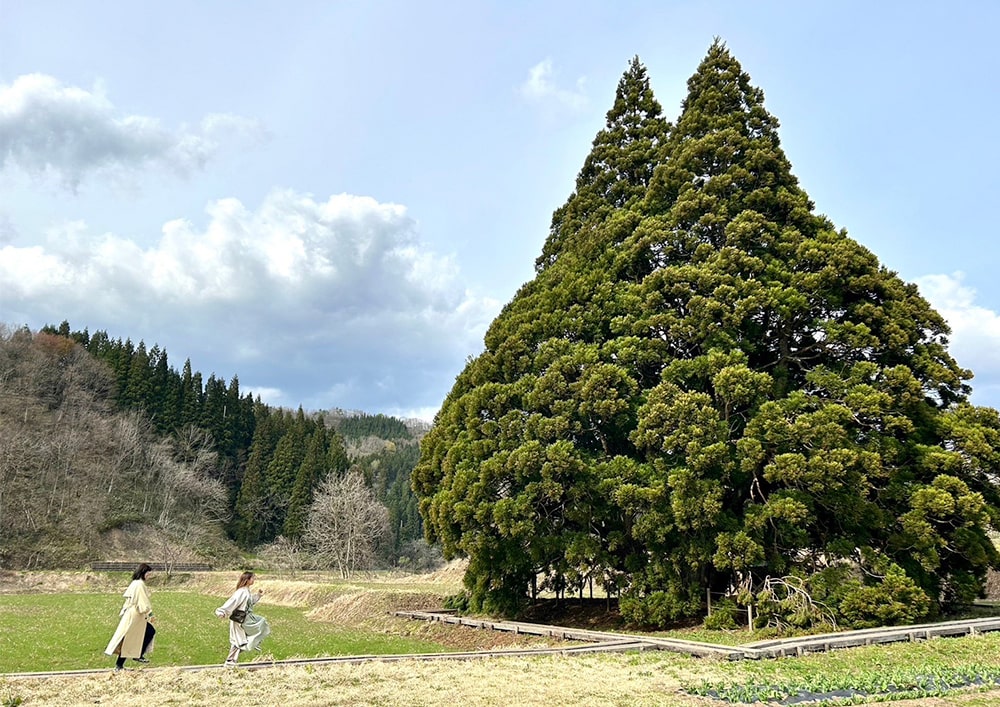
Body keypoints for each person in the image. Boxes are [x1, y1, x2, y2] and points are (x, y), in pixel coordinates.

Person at [105, 563, 156, 671]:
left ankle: (121, 664)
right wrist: (150, 613)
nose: (149, 576)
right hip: (136, 615)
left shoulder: (135, 583)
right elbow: (143, 601)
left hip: (133, 614)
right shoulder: (139, 585)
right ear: (144, 573)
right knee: (145, 633)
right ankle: (137, 655)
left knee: (129, 638)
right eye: (148, 574)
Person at [215, 570, 270, 665]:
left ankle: (232, 659)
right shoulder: (241, 592)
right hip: (240, 619)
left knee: (258, 627)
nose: (254, 579)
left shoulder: (246, 591)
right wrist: (222, 611)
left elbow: (249, 602)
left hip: (246, 618)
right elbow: (233, 602)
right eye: (253, 578)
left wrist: (258, 596)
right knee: (239, 640)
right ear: (247, 580)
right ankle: (230, 660)